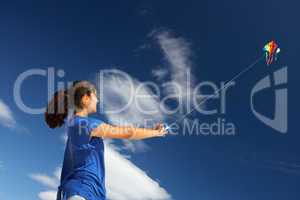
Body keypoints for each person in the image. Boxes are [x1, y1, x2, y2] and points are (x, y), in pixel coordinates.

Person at [44, 80, 167, 200]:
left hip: (86, 192)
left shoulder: (76, 125)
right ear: (85, 98)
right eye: (95, 96)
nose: (97, 100)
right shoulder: (83, 124)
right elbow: (128, 133)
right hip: (82, 191)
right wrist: (156, 132)